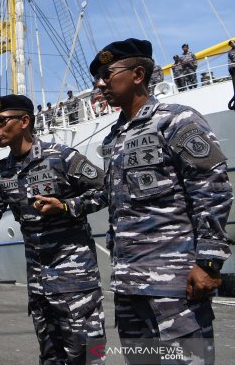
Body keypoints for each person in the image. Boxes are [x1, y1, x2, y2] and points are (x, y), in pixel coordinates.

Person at [38, 38, 232, 364]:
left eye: (107, 74)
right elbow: (110, 193)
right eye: (97, 78)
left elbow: (212, 189)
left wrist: (209, 262)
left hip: (176, 285)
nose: (99, 85)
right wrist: (67, 206)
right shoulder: (114, 137)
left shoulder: (176, 120)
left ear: (138, 74)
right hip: (129, 286)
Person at [0, 95, 106, 365]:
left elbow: (106, 190)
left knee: (89, 357)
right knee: (50, 357)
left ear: (24, 121)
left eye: (0, 121)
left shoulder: (62, 157)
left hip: (76, 282)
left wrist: (67, 206)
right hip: (39, 286)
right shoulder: (1, 173)